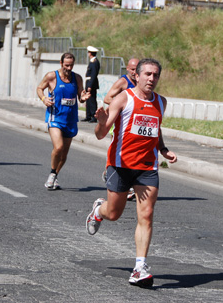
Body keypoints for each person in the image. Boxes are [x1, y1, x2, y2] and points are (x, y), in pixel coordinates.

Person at [86, 58, 177, 288]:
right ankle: (99, 210)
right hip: (120, 165)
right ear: (136, 75)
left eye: (156, 75)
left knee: (146, 215)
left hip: (147, 167)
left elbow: (155, 128)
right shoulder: (123, 99)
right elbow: (100, 134)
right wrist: (101, 122)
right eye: (147, 74)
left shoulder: (161, 102)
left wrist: (163, 149)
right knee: (114, 213)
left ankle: (140, 267)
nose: (152, 79)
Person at [36, 52, 90, 190]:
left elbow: (80, 97)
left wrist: (84, 98)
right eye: (66, 65)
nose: (69, 68)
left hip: (70, 119)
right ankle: (52, 173)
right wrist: (44, 99)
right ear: (61, 63)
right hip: (55, 118)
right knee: (58, 147)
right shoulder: (51, 76)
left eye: (71, 65)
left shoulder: (77, 78)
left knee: (64, 154)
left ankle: (55, 174)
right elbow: (39, 88)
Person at [102, 57, 140, 200]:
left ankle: (128, 182)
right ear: (127, 69)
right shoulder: (123, 82)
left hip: (135, 124)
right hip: (120, 122)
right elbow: (107, 98)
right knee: (120, 149)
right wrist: (124, 104)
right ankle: (111, 170)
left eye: (137, 69)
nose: (134, 72)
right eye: (132, 69)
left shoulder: (141, 83)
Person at [82, 46, 100, 123]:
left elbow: (93, 74)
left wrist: (90, 86)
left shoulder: (95, 62)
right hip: (88, 82)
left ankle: (94, 116)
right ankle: (88, 116)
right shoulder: (92, 61)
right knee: (88, 100)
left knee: (92, 100)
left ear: (90, 53)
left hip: (91, 83)